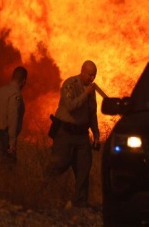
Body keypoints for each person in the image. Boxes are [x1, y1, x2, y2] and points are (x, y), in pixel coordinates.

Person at [48, 60, 100, 208]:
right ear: (82, 71)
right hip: (65, 132)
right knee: (60, 164)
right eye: (90, 75)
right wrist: (85, 94)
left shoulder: (91, 90)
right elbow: (70, 106)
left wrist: (96, 134)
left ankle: (80, 202)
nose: (92, 79)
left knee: (84, 167)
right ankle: (43, 190)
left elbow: (92, 113)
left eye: (94, 75)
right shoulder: (70, 84)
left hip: (82, 135)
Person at [0, 66, 28, 165]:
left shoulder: (0, 91)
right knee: (8, 169)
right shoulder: (16, 95)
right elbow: (13, 119)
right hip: (7, 138)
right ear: (24, 81)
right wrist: (12, 143)